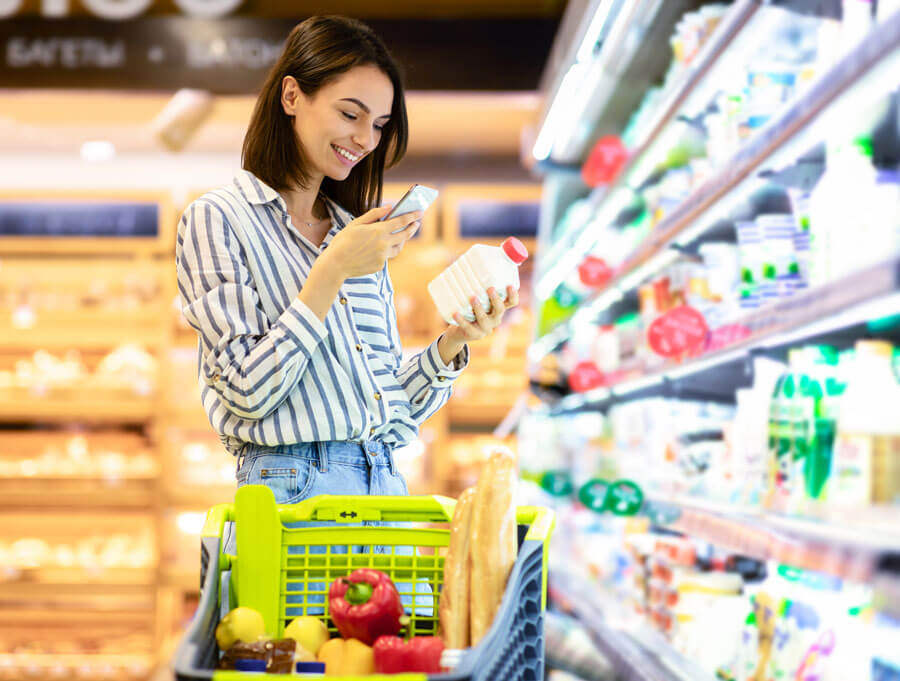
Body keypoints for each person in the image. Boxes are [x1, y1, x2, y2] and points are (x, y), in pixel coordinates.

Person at [175, 15, 519, 594]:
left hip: (383, 487)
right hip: (290, 492)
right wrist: (330, 270)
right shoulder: (217, 219)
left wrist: (454, 342)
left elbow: (391, 415)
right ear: (292, 95)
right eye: (350, 113)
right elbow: (245, 389)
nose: (365, 139)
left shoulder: (355, 232)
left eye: (380, 124)